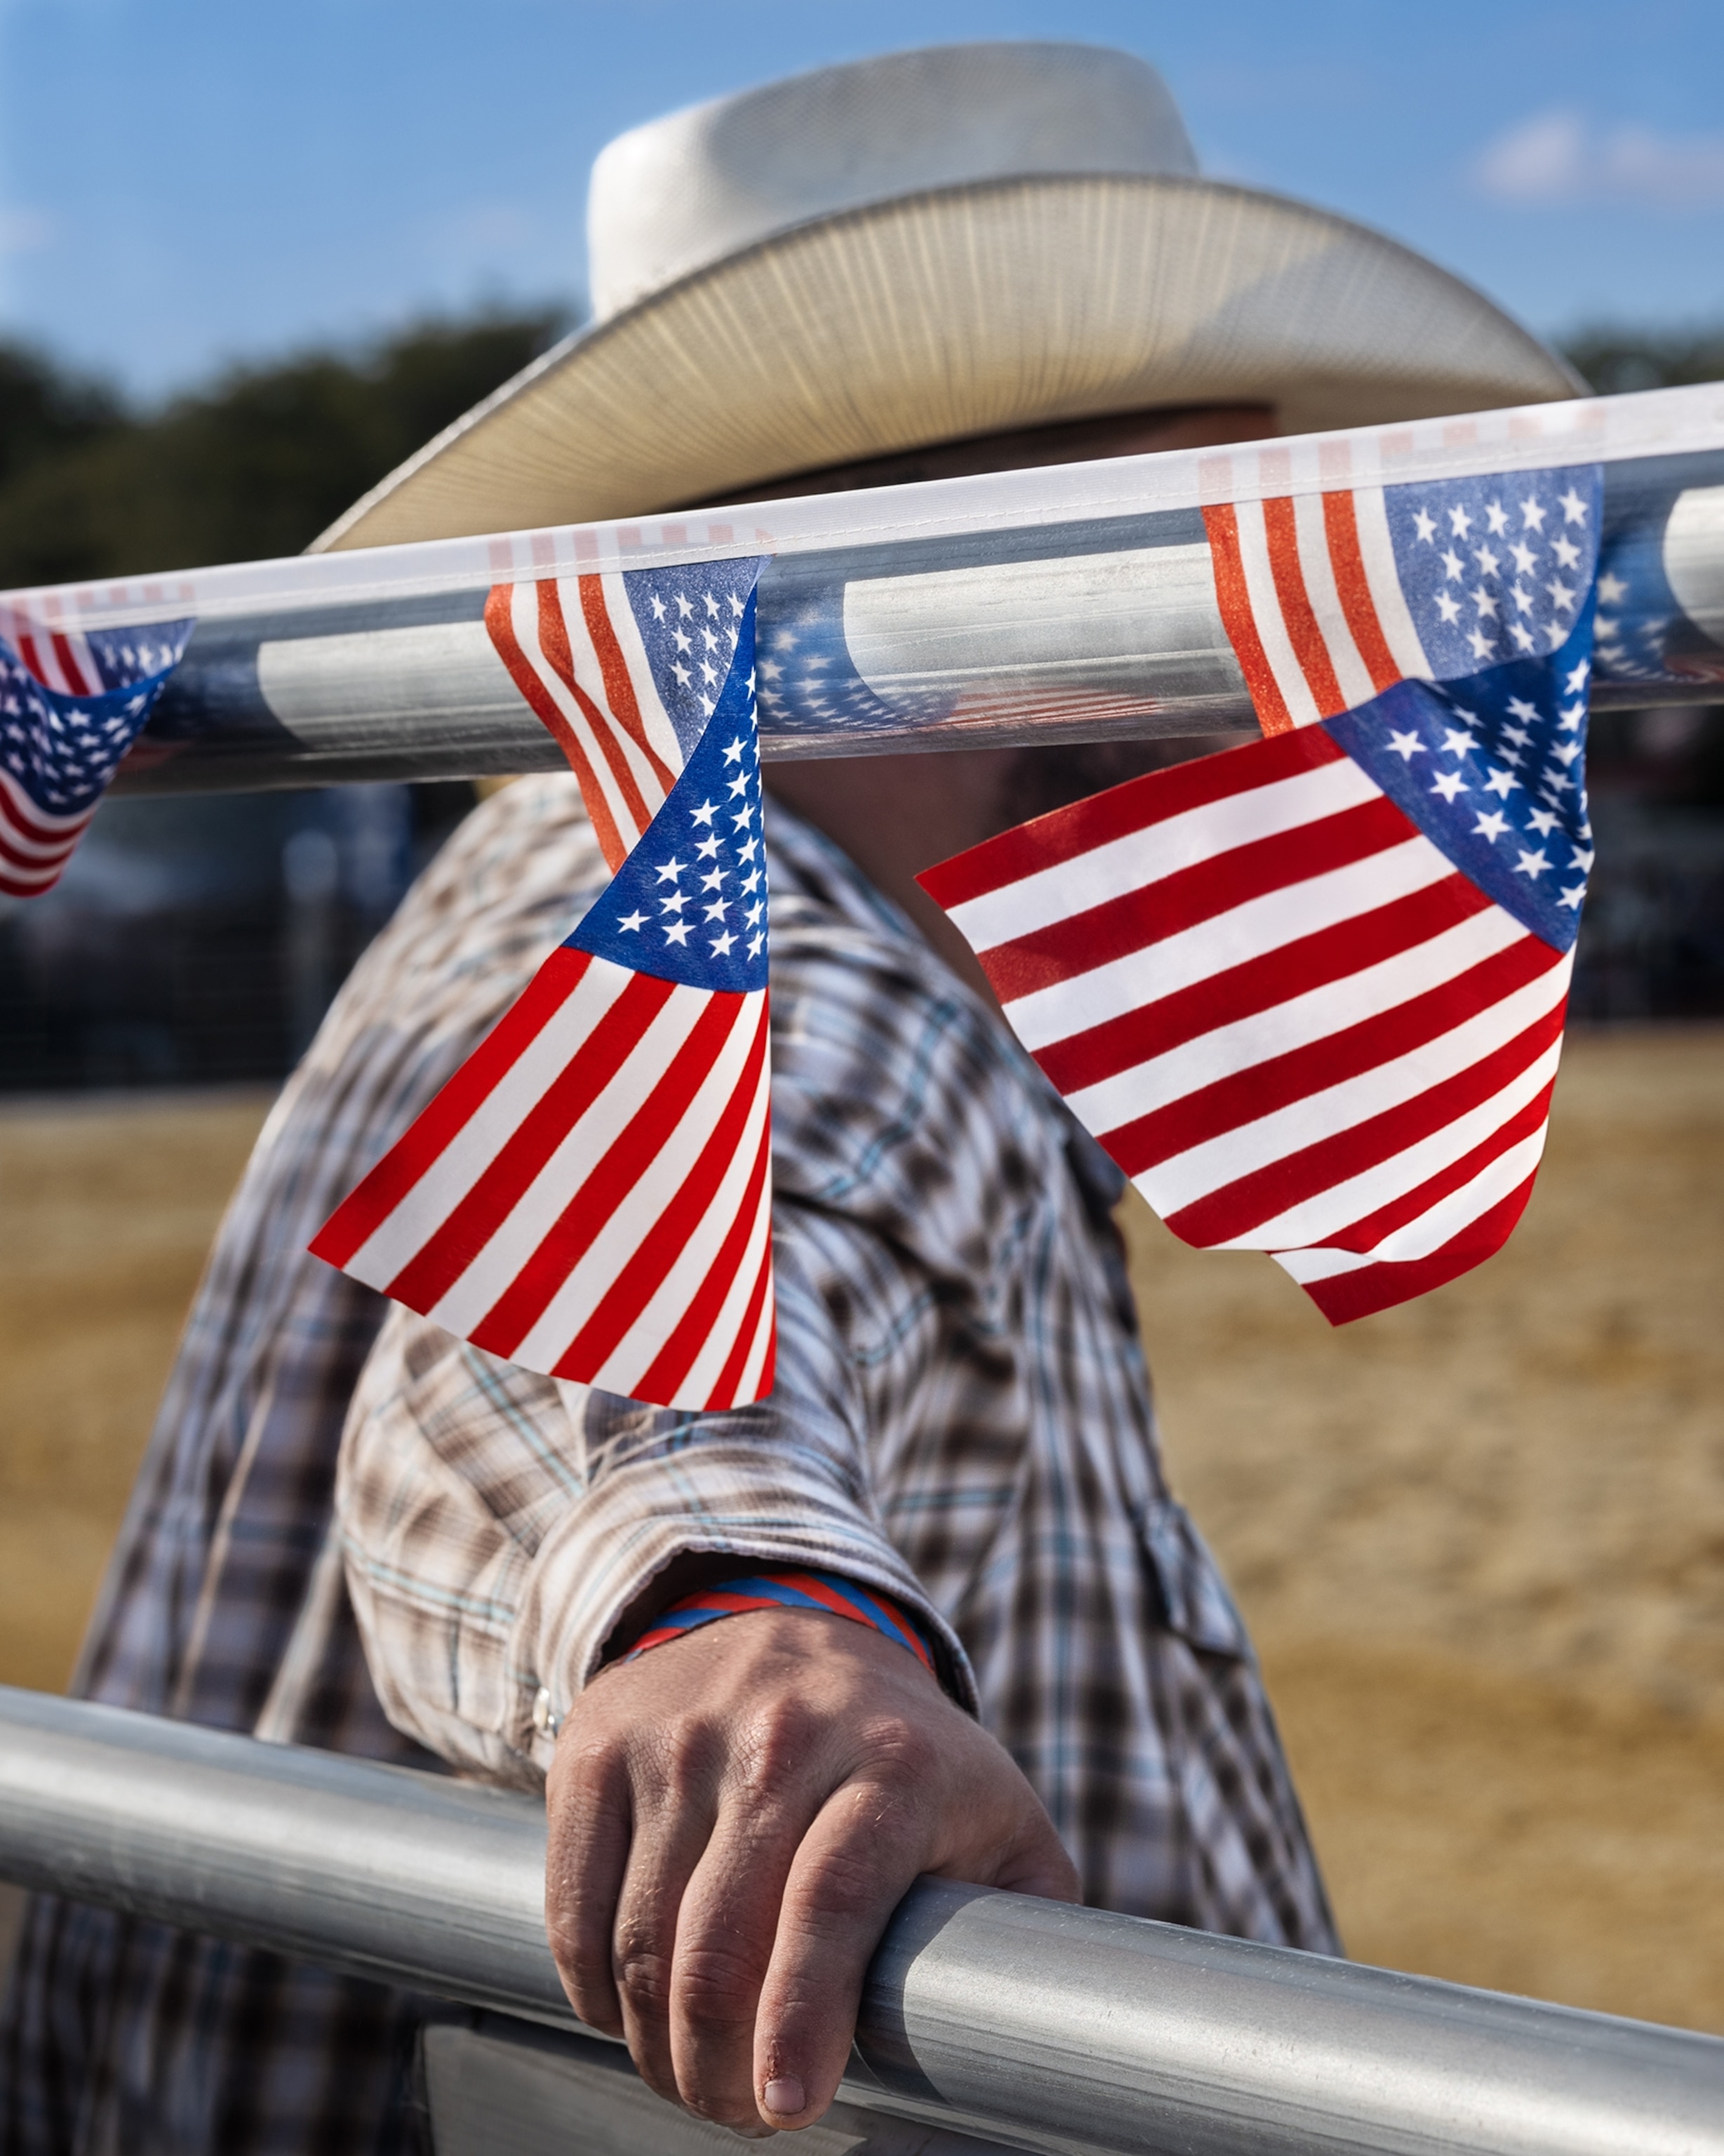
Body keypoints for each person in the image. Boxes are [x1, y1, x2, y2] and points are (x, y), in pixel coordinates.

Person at [0, 41, 1579, 2156]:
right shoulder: (773, 959)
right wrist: (737, 1608)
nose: (1247, 665)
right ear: (898, 566)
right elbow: (614, 1330)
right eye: (1177, 559)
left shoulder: (662, 900)